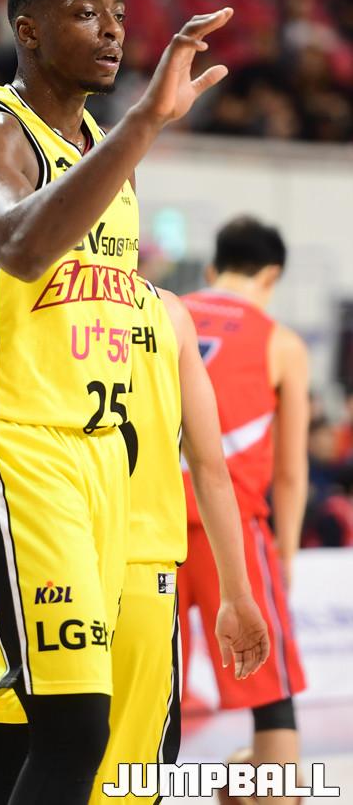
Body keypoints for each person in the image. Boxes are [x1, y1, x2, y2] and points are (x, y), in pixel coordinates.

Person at [0, 0, 233, 805]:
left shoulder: (104, 153)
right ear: (28, 31)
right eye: (86, 13)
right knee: (74, 731)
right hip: (11, 441)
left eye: (119, 16)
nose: (112, 32)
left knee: (12, 738)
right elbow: (21, 247)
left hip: (98, 458)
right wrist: (148, 121)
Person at [0, 275, 269, 805]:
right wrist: (237, 592)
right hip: (141, 573)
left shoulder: (34, 294)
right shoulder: (170, 313)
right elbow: (211, 470)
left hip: (36, 561)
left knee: (4, 768)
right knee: (122, 785)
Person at [178, 216, 309, 805]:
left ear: (213, 269)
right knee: (274, 729)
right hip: (231, 531)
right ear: (272, 275)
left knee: (138, 710)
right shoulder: (281, 342)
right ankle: (245, 779)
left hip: (146, 529)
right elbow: (290, 471)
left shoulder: (165, 312)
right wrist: (286, 555)